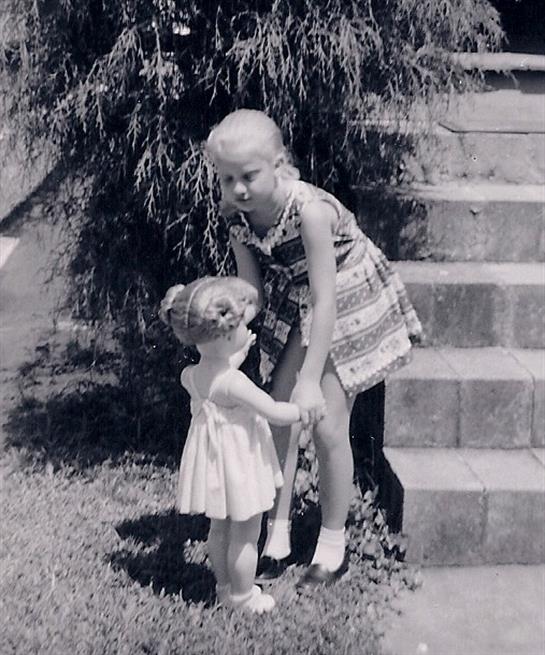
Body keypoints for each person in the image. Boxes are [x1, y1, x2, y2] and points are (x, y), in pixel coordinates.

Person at [204, 109, 422, 589]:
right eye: (227, 178)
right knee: (278, 415)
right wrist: (218, 320)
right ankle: (277, 537)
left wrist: (309, 380)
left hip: (343, 294)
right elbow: (252, 291)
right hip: (298, 294)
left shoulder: (309, 211)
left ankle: (332, 545)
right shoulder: (236, 216)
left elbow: (326, 300)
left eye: (249, 176)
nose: (238, 188)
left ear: (279, 164)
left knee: (326, 422)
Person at [160, 276, 300, 613]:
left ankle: (224, 588)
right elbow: (274, 411)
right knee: (246, 533)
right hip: (240, 463)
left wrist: (232, 358)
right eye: (241, 326)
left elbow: (216, 380)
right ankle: (243, 596)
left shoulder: (192, 375)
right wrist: (304, 410)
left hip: (215, 465)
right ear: (225, 333)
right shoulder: (235, 382)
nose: (247, 330)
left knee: (220, 528)